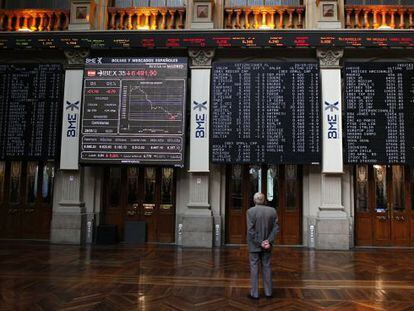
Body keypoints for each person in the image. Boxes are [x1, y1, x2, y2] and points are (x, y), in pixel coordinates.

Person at [246, 192, 279, 299]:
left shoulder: (250, 211)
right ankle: (268, 293)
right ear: (264, 200)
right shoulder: (272, 211)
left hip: (254, 246)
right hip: (267, 246)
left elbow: (250, 231)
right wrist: (267, 241)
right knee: (267, 267)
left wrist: (260, 242)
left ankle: (254, 294)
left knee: (254, 269)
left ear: (254, 200)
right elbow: (276, 228)